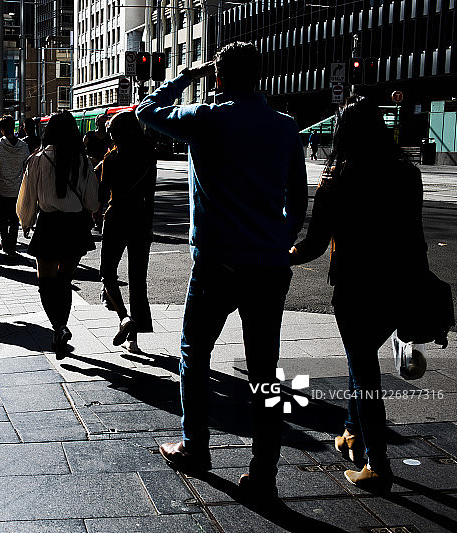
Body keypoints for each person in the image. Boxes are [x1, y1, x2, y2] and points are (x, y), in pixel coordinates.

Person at [136, 42, 307, 500]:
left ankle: (196, 447)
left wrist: (185, 76)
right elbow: (298, 197)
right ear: (260, 77)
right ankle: (264, 472)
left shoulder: (207, 118)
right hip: (269, 265)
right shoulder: (285, 127)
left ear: (218, 76)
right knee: (265, 370)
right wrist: (278, 239)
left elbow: (146, 111)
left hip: (217, 262)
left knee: (195, 353)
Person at [290, 97, 428, 491]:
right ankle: (351, 432)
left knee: (364, 372)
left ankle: (378, 463)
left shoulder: (337, 178)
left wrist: (282, 257)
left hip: (356, 287)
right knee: (361, 362)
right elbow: (414, 236)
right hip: (401, 282)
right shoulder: (407, 173)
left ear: (343, 133)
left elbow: (315, 243)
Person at [17, 111, 100, 357]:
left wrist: (27, 222)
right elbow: (93, 203)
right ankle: (62, 325)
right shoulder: (84, 161)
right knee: (65, 281)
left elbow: (28, 197)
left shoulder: (38, 159)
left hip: (49, 225)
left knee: (46, 282)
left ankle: (58, 327)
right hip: (75, 227)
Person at [98, 110, 157, 354]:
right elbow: (150, 196)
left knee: (108, 273)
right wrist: (150, 226)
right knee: (137, 280)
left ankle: (123, 318)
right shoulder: (148, 156)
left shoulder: (111, 159)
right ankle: (134, 338)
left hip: (116, 218)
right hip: (141, 220)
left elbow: (101, 195)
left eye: (111, 133)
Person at [0, 114, 30, 259]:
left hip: (2, 188)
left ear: (1, 129)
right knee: (14, 218)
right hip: (18, 188)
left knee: (3, 217)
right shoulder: (24, 147)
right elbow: (27, 168)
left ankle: (5, 243)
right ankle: (12, 244)